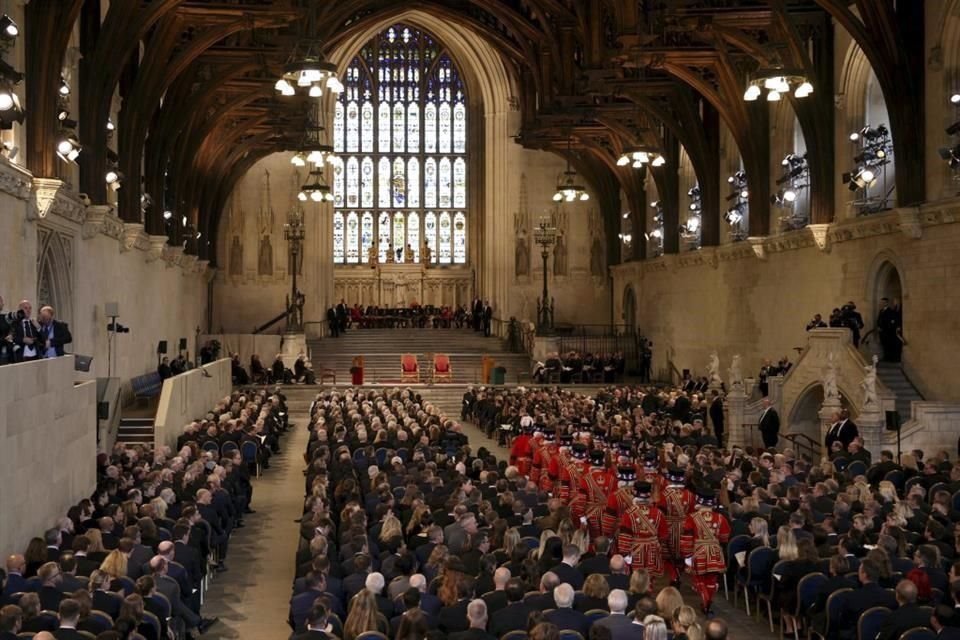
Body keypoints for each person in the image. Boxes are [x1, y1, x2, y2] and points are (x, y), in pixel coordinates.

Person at [680, 488, 730, 615]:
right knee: (712, 580)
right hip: (715, 551)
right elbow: (725, 537)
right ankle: (708, 602)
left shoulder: (691, 517)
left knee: (699, 579)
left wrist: (687, 555)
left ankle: (706, 602)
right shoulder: (720, 517)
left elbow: (687, 538)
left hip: (699, 552)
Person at [617, 481, 667, 576]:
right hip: (652, 550)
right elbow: (664, 535)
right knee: (650, 577)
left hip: (635, 552)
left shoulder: (628, 513)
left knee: (636, 578)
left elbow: (625, 537)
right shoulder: (658, 513)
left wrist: (625, 554)